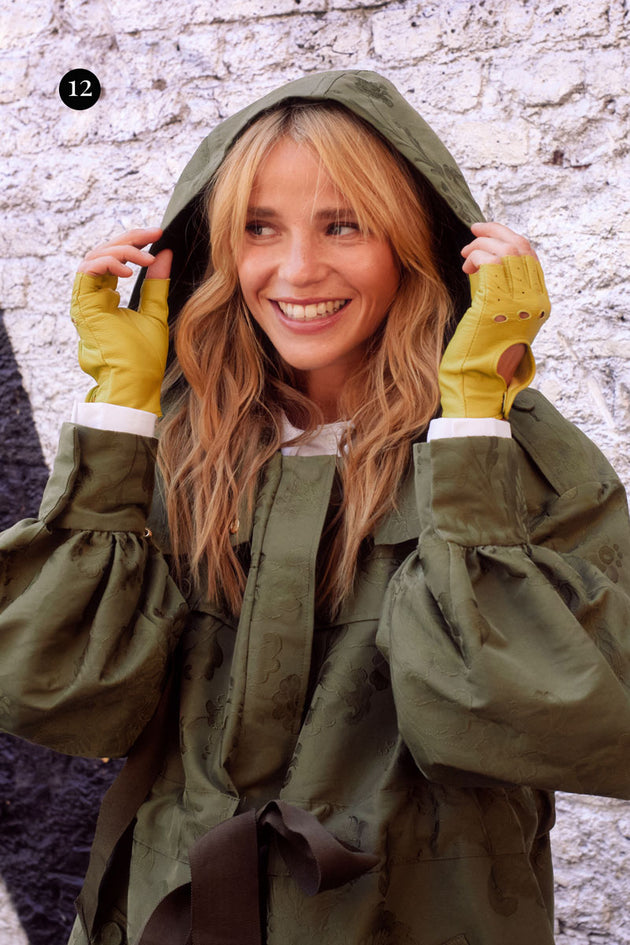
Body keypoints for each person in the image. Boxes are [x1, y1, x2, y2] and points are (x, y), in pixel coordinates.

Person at [1, 70, 629, 945]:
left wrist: (472, 421)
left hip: (418, 920)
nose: (297, 270)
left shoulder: (511, 447)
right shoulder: (179, 437)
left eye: (345, 225)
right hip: (167, 907)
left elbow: (564, 713)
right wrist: (120, 402)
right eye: (260, 228)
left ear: (415, 241)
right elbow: (61, 690)